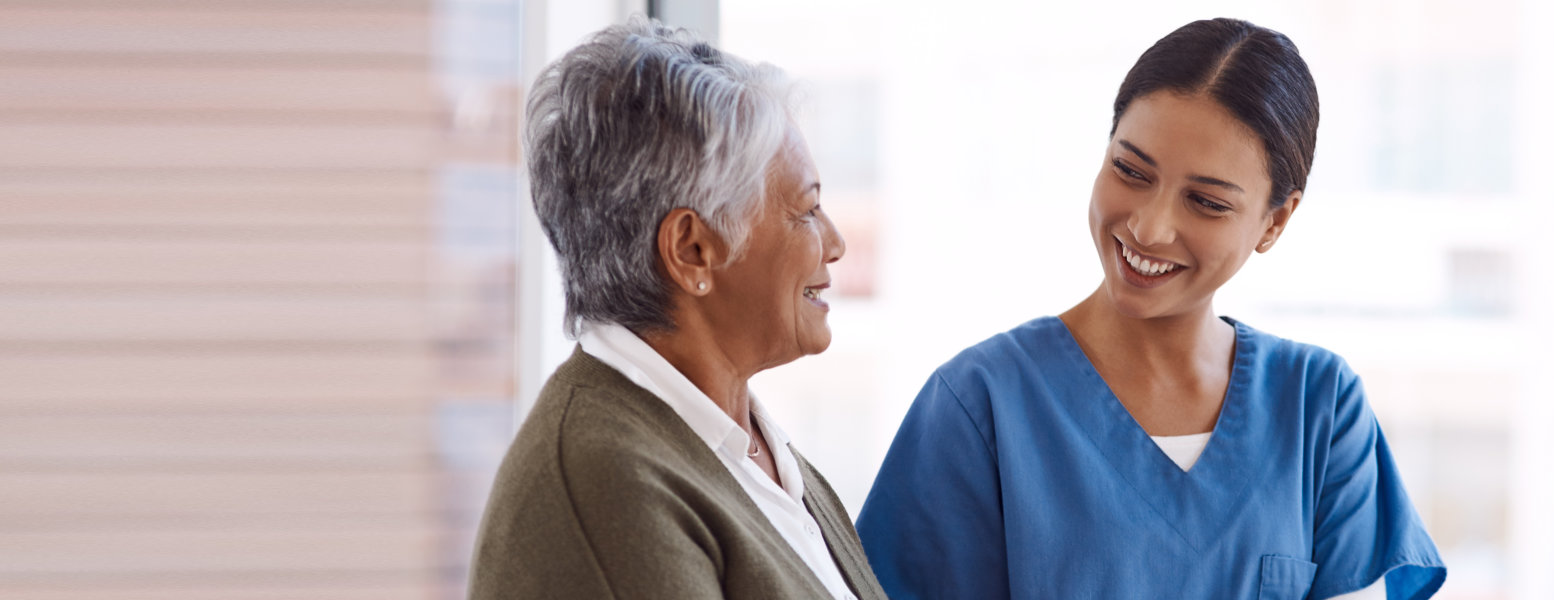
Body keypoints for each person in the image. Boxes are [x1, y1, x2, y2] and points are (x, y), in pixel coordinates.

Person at [855, 18, 1445, 600]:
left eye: (1206, 202)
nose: (1148, 226)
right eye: (1130, 171)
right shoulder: (980, 404)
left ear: (1275, 221)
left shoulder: (1318, 405)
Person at [468, 19, 886, 600]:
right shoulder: (605, 484)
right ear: (693, 249)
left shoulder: (748, 447)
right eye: (806, 211)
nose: (836, 243)